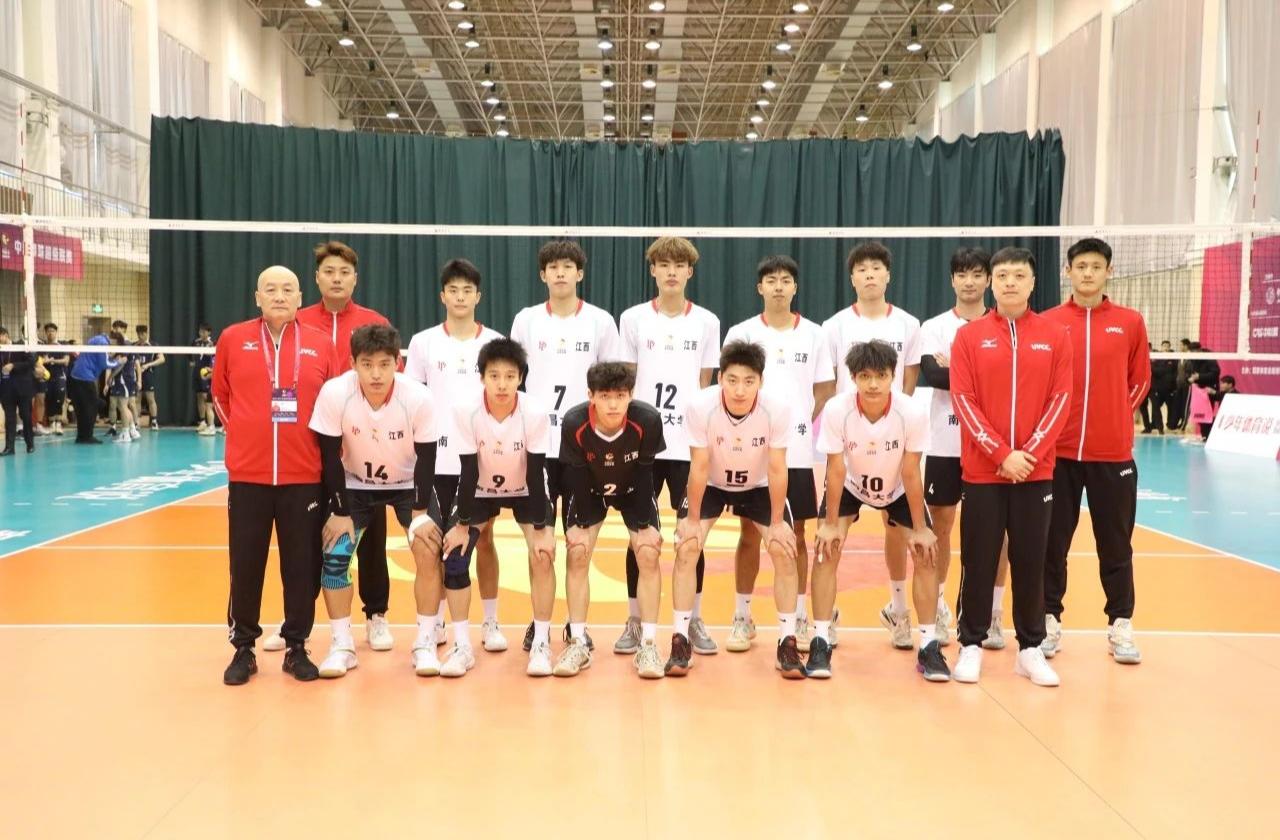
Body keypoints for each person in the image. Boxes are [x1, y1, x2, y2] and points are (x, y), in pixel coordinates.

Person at [949, 246, 1072, 688]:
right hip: (983, 472)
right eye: (1002, 276)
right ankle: (970, 644)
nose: (1010, 283)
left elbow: (1061, 400)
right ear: (991, 283)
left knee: (1031, 560)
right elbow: (964, 401)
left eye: (1019, 275)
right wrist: (1002, 454)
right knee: (978, 559)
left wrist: (1028, 455)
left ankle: (1030, 648)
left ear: (1033, 282)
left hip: (1035, 473)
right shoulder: (969, 337)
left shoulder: (1056, 335)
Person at [214, 265, 338, 686]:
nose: (279, 296)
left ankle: (296, 646)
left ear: (301, 298)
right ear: (257, 297)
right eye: (271, 289)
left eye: (288, 289)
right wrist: (243, 434)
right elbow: (219, 394)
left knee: (301, 566)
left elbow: (333, 405)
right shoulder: (233, 338)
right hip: (248, 476)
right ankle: (243, 648)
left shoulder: (320, 343)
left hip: (304, 476)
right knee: (245, 564)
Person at [278, 240, 396, 655]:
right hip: (313, 450)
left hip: (365, 452)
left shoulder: (373, 322)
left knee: (372, 539)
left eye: (344, 272)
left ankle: (376, 614)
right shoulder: (297, 322)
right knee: (310, 538)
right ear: (316, 278)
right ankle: (298, 620)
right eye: (329, 272)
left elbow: (389, 382)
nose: (336, 279)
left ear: (355, 279)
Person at [309, 325, 445, 679]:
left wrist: (420, 514)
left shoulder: (418, 398)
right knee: (335, 553)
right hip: (354, 484)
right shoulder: (335, 393)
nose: (376, 374)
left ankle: (425, 642)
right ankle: (342, 645)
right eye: (367, 364)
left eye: (384, 364)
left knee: (428, 549)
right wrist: (339, 511)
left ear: (397, 363)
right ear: (352, 363)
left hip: (408, 484)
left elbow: (427, 458)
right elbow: (328, 457)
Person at [1042, 238, 1150, 666]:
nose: (1088, 273)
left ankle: (1120, 623)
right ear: (1068, 272)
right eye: (1081, 266)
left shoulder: (1130, 322)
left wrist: (1116, 418)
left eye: (1096, 266)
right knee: (1052, 544)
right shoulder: (1049, 322)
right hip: (1059, 456)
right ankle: (1048, 620)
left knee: (1116, 546)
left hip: (1112, 457)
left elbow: (1140, 379)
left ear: (1109, 272)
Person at [509, 240, 621, 652]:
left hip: (583, 451)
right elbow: (512, 382)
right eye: (553, 267)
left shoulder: (600, 321)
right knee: (539, 549)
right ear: (542, 275)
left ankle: (578, 628)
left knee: (578, 548)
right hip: (538, 450)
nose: (560, 273)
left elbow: (612, 384)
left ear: (580, 273)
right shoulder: (525, 321)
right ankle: (539, 624)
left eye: (568, 266)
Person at [721, 255, 835, 653]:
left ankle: (799, 616)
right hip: (751, 452)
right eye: (771, 280)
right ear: (760, 288)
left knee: (796, 534)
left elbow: (824, 389)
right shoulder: (742, 332)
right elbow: (729, 387)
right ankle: (742, 616)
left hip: (796, 452)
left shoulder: (815, 335)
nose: (779, 286)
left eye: (786, 280)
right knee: (749, 533)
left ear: (795, 287)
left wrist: (796, 423)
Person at [616, 236, 721, 656]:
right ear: (653, 270)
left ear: (690, 272)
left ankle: (692, 619)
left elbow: (706, 384)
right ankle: (635, 620)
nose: (672, 271)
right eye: (664, 264)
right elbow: (626, 382)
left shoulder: (707, 322)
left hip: (688, 446)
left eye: (679, 265)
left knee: (691, 536)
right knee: (638, 536)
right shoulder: (633, 319)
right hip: (645, 446)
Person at [672, 340, 802, 679]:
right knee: (687, 547)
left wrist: (777, 522)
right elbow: (699, 465)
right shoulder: (700, 407)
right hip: (713, 483)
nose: (740, 390)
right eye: (732, 380)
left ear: (761, 381)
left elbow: (777, 467)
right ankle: (680, 639)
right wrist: (692, 520)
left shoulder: (777, 410)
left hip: (758, 485)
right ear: (720, 379)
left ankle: (787, 642)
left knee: (784, 549)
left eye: (748, 381)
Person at [811, 340, 940, 680]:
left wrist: (920, 528)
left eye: (880, 376)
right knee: (825, 548)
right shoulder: (837, 409)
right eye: (864, 376)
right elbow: (835, 469)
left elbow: (911, 471)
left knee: (927, 553)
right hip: (851, 484)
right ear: (853, 377)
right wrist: (830, 524)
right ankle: (820, 639)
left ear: (892, 377)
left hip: (897, 486)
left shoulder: (911, 412)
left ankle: (929, 645)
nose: (872, 384)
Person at [821, 241, 924, 650]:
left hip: (892, 441)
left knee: (895, 529)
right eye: (861, 269)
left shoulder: (909, 325)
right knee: (832, 532)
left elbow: (910, 380)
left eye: (876, 268)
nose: (869, 274)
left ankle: (898, 610)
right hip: (848, 441)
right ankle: (825, 618)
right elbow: (830, 381)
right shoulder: (834, 326)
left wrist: (894, 428)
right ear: (852, 278)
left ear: (888, 275)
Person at [404, 259, 507, 653]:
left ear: (478, 296)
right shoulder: (423, 342)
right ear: (442, 296)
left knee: (483, 540)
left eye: (468, 291)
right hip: (434, 462)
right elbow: (412, 401)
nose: (460, 297)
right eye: (453, 290)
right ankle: (436, 622)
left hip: (479, 463)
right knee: (435, 546)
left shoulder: (494, 342)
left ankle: (491, 620)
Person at [439, 338, 557, 677]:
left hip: (527, 489)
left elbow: (536, 472)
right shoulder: (465, 411)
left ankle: (541, 643)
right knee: (456, 555)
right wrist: (462, 525)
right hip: (479, 488)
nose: (502, 384)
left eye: (509, 376)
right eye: (494, 376)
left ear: (521, 377)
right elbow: (468, 470)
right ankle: (467, 642)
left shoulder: (535, 412)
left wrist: (541, 530)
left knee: (542, 555)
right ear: (482, 378)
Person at [918, 247, 1011, 650]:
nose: (969, 282)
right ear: (952, 280)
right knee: (940, 526)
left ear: (988, 280)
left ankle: (991, 613)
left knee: (994, 532)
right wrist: (979, 370)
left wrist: (955, 365)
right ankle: (938, 608)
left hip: (991, 443)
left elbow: (1006, 376)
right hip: (944, 441)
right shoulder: (934, 326)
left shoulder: (1004, 324)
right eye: (962, 274)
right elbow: (932, 375)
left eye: (977, 274)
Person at [558, 362, 666, 677]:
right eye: (605, 396)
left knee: (648, 553)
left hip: (634, 490)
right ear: (591, 396)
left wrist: (644, 526)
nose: (613, 404)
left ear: (631, 395)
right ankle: (578, 642)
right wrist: (579, 524)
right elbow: (576, 474)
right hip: (589, 490)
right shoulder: (575, 422)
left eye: (620, 395)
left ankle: (648, 644)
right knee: (577, 553)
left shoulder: (647, 420)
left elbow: (646, 472)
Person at [68, 327, 119, 444]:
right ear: (114, 341)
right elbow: (104, 363)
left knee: (81, 408)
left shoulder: (95, 339)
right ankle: (87, 436)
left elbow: (98, 360)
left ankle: (81, 436)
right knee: (91, 407)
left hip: (75, 375)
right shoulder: (103, 343)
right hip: (84, 377)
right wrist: (118, 362)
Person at [1, 326, 38, 455]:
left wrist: (13, 365)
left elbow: (31, 362)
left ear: (5, 335)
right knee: (9, 419)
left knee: (26, 417)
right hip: (6, 391)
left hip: (23, 389)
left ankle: (30, 444)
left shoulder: (20, 346)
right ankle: (9, 447)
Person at [105, 336, 139, 443]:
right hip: (126, 380)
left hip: (123, 380)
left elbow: (120, 365)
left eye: (113, 342)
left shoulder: (122, 351)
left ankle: (125, 434)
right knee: (123, 406)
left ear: (118, 342)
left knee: (123, 406)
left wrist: (110, 377)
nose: (111, 344)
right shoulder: (120, 351)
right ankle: (132, 430)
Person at [39, 323, 70, 436]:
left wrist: (52, 360)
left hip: (59, 376)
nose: (50, 333)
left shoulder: (62, 345)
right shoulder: (42, 346)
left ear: (56, 332)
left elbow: (66, 361)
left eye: (52, 331)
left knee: (59, 399)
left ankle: (59, 424)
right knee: (49, 399)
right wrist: (45, 360)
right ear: (45, 333)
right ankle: (52, 424)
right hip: (47, 377)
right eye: (48, 331)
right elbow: (41, 360)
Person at [1186, 343, 1220, 442]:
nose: (1192, 353)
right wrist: (1190, 379)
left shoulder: (1209, 358)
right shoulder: (1193, 359)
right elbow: (1191, 372)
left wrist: (1199, 376)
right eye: (1191, 352)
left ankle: (1208, 436)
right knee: (1200, 414)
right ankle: (1204, 436)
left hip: (1209, 390)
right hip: (1198, 391)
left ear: (1199, 350)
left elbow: (1215, 373)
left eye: (1193, 351)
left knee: (1208, 414)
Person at [133, 325, 165, 430]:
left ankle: (154, 421)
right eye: (138, 334)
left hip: (148, 375)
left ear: (146, 333)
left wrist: (148, 365)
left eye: (142, 334)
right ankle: (137, 422)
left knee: (151, 399)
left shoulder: (154, 345)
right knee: (137, 399)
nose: (140, 336)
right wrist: (135, 366)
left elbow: (162, 359)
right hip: (136, 375)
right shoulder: (134, 345)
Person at [1147, 340, 1177, 435]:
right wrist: (1164, 370)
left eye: (1167, 346)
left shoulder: (1173, 358)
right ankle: (1158, 427)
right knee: (1156, 408)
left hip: (1169, 389)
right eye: (1164, 346)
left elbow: (1174, 373)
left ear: (1169, 347)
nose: (1166, 348)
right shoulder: (1156, 358)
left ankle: (1170, 426)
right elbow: (1155, 371)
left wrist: (1174, 387)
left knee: (1171, 408)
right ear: (1161, 347)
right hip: (1157, 388)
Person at [192, 323, 216, 436]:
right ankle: (202, 422)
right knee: (199, 396)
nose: (201, 333)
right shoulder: (195, 342)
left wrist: (211, 370)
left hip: (207, 373)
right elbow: (189, 353)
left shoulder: (213, 344)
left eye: (204, 331)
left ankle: (211, 424)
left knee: (206, 398)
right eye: (200, 331)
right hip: (197, 372)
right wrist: (192, 362)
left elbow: (215, 358)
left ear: (209, 332)